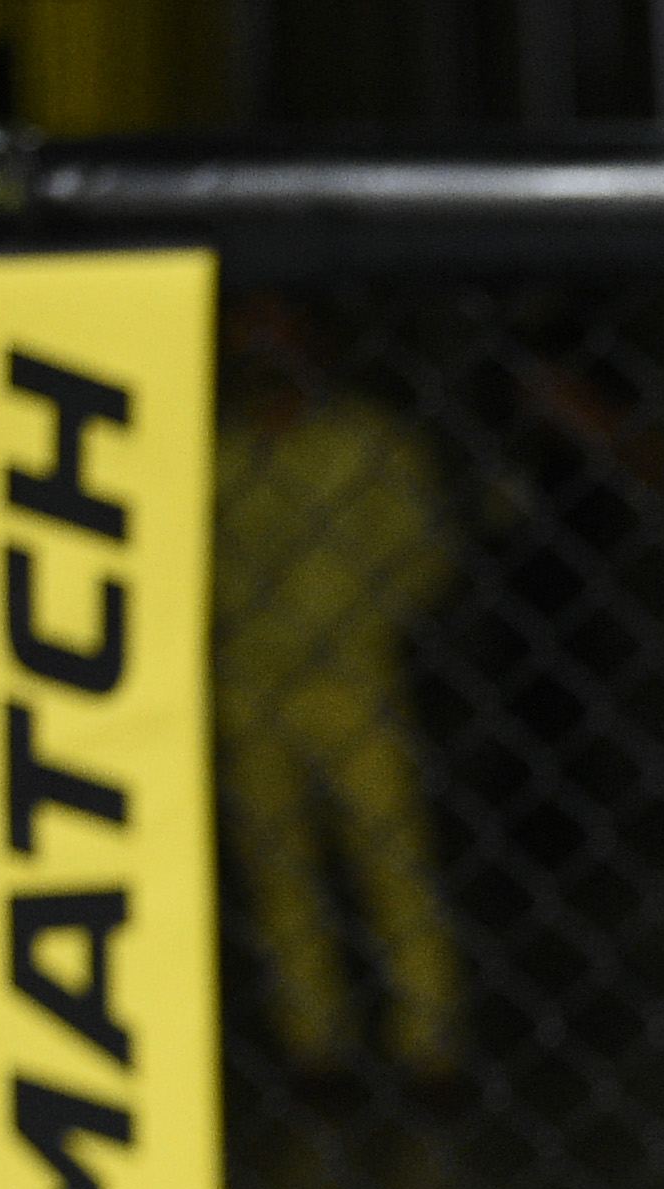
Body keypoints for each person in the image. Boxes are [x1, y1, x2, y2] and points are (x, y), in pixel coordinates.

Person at [215, 289, 467, 1090]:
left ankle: (429, 1038)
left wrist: (366, 616)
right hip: (244, 681)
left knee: (391, 853)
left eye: (281, 330)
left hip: (355, 679)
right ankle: (314, 1039)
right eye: (249, 332)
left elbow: (424, 548)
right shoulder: (211, 452)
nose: (265, 349)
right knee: (276, 863)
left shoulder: (367, 442)